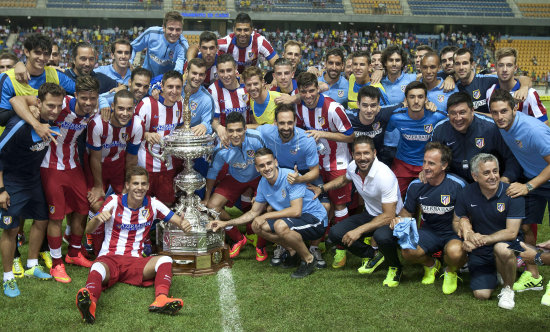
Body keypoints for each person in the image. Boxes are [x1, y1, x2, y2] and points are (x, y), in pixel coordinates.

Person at [11, 75, 101, 283]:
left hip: (73, 166)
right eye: (84, 98)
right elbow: (16, 100)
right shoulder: (60, 105)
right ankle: (57, 263)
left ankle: (74, 253)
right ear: (76, 95)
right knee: (56, 217)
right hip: (49, 167)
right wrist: (35, 120)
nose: (88, 103)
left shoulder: (96, 109)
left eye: (93, 98)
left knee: (82, 209)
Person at [76, 166, 192, 324]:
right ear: (127, 185)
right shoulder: (113, 202)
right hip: (110, 258)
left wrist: (184, 224)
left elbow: (178, 220)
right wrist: (97, 219)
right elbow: (88, 230)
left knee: (165, 260)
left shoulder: (154, 204)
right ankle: (90, 302)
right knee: (97, 268)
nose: (140, 188)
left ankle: (161, 299)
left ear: (148, 186)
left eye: (143, 184)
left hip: (136, 262)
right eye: (136, 183)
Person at [208, 148, 328, 279]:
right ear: (257, 168)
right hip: (295, 219)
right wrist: (225, 223)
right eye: (261, 165)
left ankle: (309, 260)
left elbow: (296, 211)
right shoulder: (263, 183)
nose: (266, 168)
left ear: (276, 162)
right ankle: (293, 251)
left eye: (269, 163)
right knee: (257, 226)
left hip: (316, 219)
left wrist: (265, 215)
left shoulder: (290, 177)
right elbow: (253, 212)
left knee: (279, 226)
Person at [0, 83, 66, 297]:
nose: (55, 110)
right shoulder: (20, 125)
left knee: (41, 219)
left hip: (33, 180)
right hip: (11, 182)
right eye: (50, 105)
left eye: (58, 106)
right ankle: (8, 277)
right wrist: (1, 189)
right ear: (38, 103)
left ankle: (31, 265)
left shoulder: (51, 121)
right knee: (10, 229)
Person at [489, 89, 550, 304]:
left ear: (515, 109)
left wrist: (528, 186)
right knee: (525, 227)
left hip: (540, 178)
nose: (499, 117)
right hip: (535, 178)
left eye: (504, 111)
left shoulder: (533, 131)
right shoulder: (501, 124)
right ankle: (534, 276)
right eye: (494, 112)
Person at [311, 136, 401, 281]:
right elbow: (344, 179)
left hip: (392, 218)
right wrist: (322, 189)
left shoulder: (385, 176)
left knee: (381, 236)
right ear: (353, 155)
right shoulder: (353, 166)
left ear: (374, 153)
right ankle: (373, 255)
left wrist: (358, 231)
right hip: (371, 214)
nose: (362, 157)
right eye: (358, 153)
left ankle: (395, 267)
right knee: (335, 233)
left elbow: (389, 215)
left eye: (366, 153)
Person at [295, 72, 355, 268]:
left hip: (337, 162)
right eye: (304, 91)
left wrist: (323, 133)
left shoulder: (333, 108)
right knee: (319, 203)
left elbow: (350, 136)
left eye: (312, 90)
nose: (308, 95)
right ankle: (320, 240)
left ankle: (341, 249)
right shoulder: (298, 108)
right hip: (314, 164)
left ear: (317, 89)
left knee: (339, 206)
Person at [390, 142, 467, 293]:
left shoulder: (458, 185)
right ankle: (431, 265)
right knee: (407, 250)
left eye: (431, 163)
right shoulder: (416, 185)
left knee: (456, 253)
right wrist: (399, 219)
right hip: (429, 232)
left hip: (452, 233)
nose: (425, 167)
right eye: (424, 162)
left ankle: (450, 271)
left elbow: (466, 216)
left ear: (444, 166)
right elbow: (407, 211)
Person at [257, 104, 325, 267]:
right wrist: (222, 129)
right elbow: (252, 129)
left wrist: (299, 179)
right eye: (282, 123)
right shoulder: (268, 131)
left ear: (295, 121)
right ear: (275, 123)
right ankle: (288, 245)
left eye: (289, 122)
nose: (286, 127)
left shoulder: (306, 139)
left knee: (325, 205)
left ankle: (314, 248)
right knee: (279, 204)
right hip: (277, 171)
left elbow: (315, 172)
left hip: (302, 172)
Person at [453, 153, 524, 310]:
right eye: (486, 173)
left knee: (502, 249)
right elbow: (456, 221)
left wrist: (480, 240)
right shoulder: (466, 193)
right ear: (475, 176)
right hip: (480, 250)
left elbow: (512, 233)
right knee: (482, 295)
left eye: (495, 171)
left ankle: (508, 289)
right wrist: (467, 233)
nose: (493, 176)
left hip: (507, 242)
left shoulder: (512, 193)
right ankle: (497, 271)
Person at [203, 112, 265, 260]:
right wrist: (206, 197)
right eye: (231, 131)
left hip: (258, 177)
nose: (235, 134)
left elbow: (268, 163)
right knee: (212, 207)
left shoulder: (256, 139)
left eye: (239, 130)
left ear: (245, 129)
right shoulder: (221, 148)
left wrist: (261, 193)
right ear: (226, 131)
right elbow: (212, 173)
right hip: (236, 177)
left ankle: (261, 245)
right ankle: (238, 238)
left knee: (265, 205)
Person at [431, 92, 521, 184]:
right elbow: (433, 159)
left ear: (472, 111)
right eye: (453, 113)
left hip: (488, 183)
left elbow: (511, 158)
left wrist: (505, 179)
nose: (458, 118)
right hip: (454, 183)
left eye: (462, 112)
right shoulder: (440, 129)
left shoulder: (491, 127)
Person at [386, 81, 447, 196]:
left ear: (426, 99)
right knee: (394, 198)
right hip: (403, 163)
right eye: (412, 97)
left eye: (420, 97)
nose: (416, 101)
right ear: (406, 100)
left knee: (430, 201)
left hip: (428, 164)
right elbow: (388, 141)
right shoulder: (396, 117)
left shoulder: (437, 116)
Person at [0, 34, 75, 126]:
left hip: (45, 136)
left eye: (46, 54)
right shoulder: (7, 79)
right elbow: (2, 119)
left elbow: (81, 92)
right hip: (13, 136)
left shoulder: (57, 75)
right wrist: (26, 109)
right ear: (27, 52)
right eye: (37, 53)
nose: (42, 58)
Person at [135, 70, 185, 207]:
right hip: (144, 165)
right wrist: (146, 134)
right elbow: (129, 132)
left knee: (167, 203)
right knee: (140, 203)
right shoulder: (146, 104)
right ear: (161, 86)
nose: (174, 91)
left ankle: (157, 228)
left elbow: (179, 127)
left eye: (178, 87)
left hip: (167, 164)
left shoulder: (180, 104)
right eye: (170, 87)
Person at [454, 48, 529, 114]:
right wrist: (450, 77)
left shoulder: (488, 80)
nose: (461, 67)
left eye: (465, 63)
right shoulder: (453, 88)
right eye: (457, 64)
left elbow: (519, 78)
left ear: (472, 64)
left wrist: (524, 87)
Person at [486, 47, 548, 125]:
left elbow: (544, 125)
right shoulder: (490, 92)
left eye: (509, 65)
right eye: (501, 65)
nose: (505, 69)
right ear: (496, 68)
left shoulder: (529, 94)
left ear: (515, 68)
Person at [130, 11, 193, 77]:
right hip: (146, 78)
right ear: (163, 28)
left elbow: (178, 70)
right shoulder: (151, 33)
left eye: (178, 30)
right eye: (171, 29)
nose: (174, 33)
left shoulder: (183, 46)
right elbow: (132, 47)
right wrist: (129, 62)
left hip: (166, 82)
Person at [208, 54, 250, 145]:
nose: (226, 75)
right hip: (226, 136)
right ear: (217, 72)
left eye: (229, 70)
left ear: (235, 69)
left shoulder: (247, 86)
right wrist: (218, 127)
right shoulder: (213, 89)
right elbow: (214, 120)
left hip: (247, 133)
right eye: (222, 71)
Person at [181, 58, 213, 136]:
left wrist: (204, 126)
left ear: (205, 76)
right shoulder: (176, 89)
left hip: (192, 138)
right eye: (194, 73)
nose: (197, 78)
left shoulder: (207, 99)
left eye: (201, 74)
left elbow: (208, 124)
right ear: (187, 72)